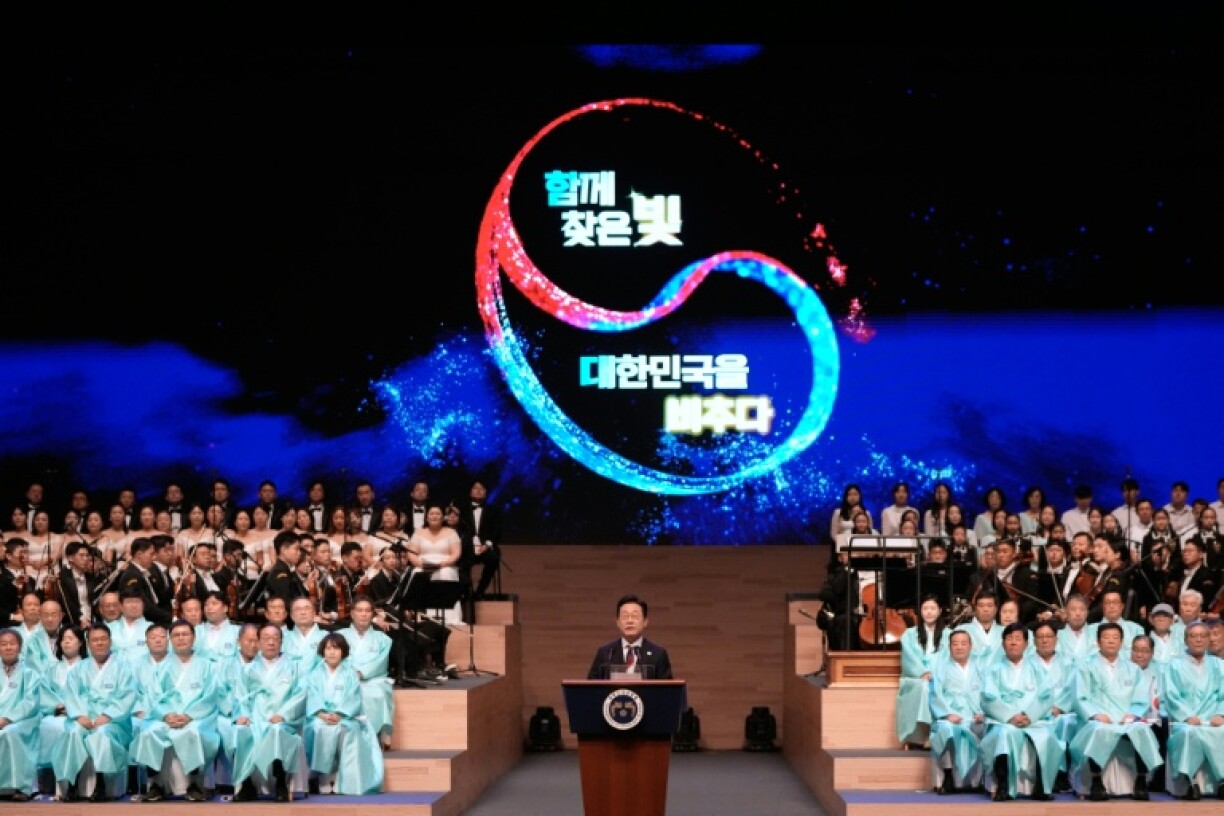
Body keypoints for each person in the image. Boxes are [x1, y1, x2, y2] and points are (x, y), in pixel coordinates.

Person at [1068, 621, 1163, 800]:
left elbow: (1141, 699)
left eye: (1115, 638)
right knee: (1099, 730)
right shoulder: (1084, 665)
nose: (1111, 641)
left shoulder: (1133, 669)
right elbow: (1079, 697)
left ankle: (1141, 781)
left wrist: (1132, 714)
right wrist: (1095, 714)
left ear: (1121, 643)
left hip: (1124, 719)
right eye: (1106, 637)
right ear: (1098, 642)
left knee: (1141, 729)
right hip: (1099, 718)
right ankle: (1096, 782)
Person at [131, 621, 219, 802]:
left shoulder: (207, 666)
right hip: (166, 717)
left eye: (185, 634)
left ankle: (194, 784)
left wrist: (189, 716)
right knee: (149, 732)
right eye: (176, 635)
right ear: (171, 639)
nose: (181, 639)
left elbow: (210, 696)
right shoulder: (162, 667)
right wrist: (165, 715)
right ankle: (156, 784)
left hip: (195, 717)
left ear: (194, 638)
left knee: (193, 732)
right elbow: (152, 696)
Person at [51, 624, 136, 801]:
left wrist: (107, 716)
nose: (99, 643)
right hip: (83, 718)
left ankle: (102, 784)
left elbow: (127, 697)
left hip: (112, 721)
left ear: (110, 641)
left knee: (102, 734)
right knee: (73, 732)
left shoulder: (123, 668)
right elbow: (71, 695)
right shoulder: (79, 669)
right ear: (88, 644)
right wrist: (80, 716)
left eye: (103, 639)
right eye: (95, 640)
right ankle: (72, 784)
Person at [979, 622, 1061, 801]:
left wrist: (1029, 716)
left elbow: (1046, 696)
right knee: (1004, 734)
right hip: (1005, 721)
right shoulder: (993, 670)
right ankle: (1003, 785)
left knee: (1046, 737)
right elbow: (988, 698)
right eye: (1009, 639)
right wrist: (1010, 716)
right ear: (1003, 644)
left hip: (1033, 720)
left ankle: (1042, 786)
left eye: (1018, 639)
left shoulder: (1038, 669)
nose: (1014, 643)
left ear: (1026, 644)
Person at [231, 624, 306, 802]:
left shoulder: (294, 666)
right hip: (255, 717)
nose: (271, 643)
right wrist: (243, 715)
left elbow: (300, 694)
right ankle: (247, 785)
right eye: (266, 638)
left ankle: (281, 782)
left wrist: (283, 714)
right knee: (241, 732)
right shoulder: (248, 668)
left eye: (275, 638)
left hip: (283, 718)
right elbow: (240, 696)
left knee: (277, 730)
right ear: (258, 642)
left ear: (281, 641)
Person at [302, 633, 384, 794]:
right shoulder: (314, 674)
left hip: (346, 717)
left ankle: (343, 780)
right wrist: (321, 714)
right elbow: (312, 696)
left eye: (336, 648)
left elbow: (353, 698)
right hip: (320, 716)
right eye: (328, 648)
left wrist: (340, 714)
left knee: (344, 729)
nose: (332, 652)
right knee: (318, 728)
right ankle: (323, 776)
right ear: (322, 652)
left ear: (343, 652)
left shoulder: (350, 675)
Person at [1160, 620, 1224, 800]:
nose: (1198, 640)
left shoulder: (1219, 665)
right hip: (1185, 720)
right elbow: (1171, 696)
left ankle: (1222, 782)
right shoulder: (1174, 665)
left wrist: (1221, 714)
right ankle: (1190, 781)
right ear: (1186, 639)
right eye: (1194, 636)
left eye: (1203, 636)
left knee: (1222, 731)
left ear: (1208, 639)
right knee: (1188, 733)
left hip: (1212, 718)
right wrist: (1187, 716)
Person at [334, 597, 395, 751]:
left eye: (367, 611)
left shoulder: (383, 639)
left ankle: (373, 736)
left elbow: (380, 662)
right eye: (359, 610)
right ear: (352, 614)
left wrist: (361, 673)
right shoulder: (339, 635)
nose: (363, 614)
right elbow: (333, 658)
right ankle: (344, 739)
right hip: (345, 677)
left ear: (372, 614)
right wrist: (350, 674)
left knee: (375, 695)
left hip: (374, 680)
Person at [928, 629, 985, 794]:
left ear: (971, 646)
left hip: (976, 714)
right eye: (955, 643)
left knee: (990, 728)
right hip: (952, 714)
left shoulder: (981, 667)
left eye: (963, 643)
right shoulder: (940, 668)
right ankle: (948, 775)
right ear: (949, 646)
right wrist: (946, 714)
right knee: (946, 729)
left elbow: (989, 693)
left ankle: (981, 780)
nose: (959, 647)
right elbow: (935, 694)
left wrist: (984, 712)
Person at [896, 595, 945, 748]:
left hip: (940, 676)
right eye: (925, 609)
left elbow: (947, 658)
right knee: (923, 686)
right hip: (916, 677)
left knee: (931, 686)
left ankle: (933, 733)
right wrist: (922, 672)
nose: (929, 612)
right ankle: (923, 735)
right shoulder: (909, 634)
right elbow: (908, 658)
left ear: (940, 611)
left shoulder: (949, 634)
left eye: (933, 608)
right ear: (920, 611)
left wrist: (934, 673)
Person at [587, 594, 673, 680]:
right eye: (625, 616)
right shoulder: (605, 653)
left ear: (645, 622)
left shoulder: (658, 654)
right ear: (618, 622)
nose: (629, 621)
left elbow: (668, 691)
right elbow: (590, 688)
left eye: (635, 616)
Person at [0, 628, 42, 801]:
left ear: (19, 647)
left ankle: (22, 787)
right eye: (3, 644)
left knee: (10, 733)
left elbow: (30, 703)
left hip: (23, 719)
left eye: (12, 643)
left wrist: (6, 718)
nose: (8, 647)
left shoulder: (30, 674)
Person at [459, 479, 504, 600]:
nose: (478, 491)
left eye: (481, 489)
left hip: (486, 547)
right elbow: (459, 530)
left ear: (485, 493)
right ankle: (467, 591)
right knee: (461, 562)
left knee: (494, 559)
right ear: (470, 492)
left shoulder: (493, 510)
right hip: (468, 548)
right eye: (475, 488)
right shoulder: (461, 511)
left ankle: (480, 591)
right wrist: (469, 544)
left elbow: (497, 529)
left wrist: (487, 544)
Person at [816, 548, 860, 651]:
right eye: (847, 554)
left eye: (854, 553)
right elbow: (827, 593)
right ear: (840, 558)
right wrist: (847, 570)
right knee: (845, 622)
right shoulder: (835, 575)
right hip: (848, 616)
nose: (852, 556)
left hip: (872, 615)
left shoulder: (874, 572)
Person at [953, 593, 1001, 661]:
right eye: (981, 606)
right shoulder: (961, 630)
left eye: (989, 606)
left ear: (996, 609)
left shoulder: (1004, 632)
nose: (985, 609)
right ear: (975, 608)